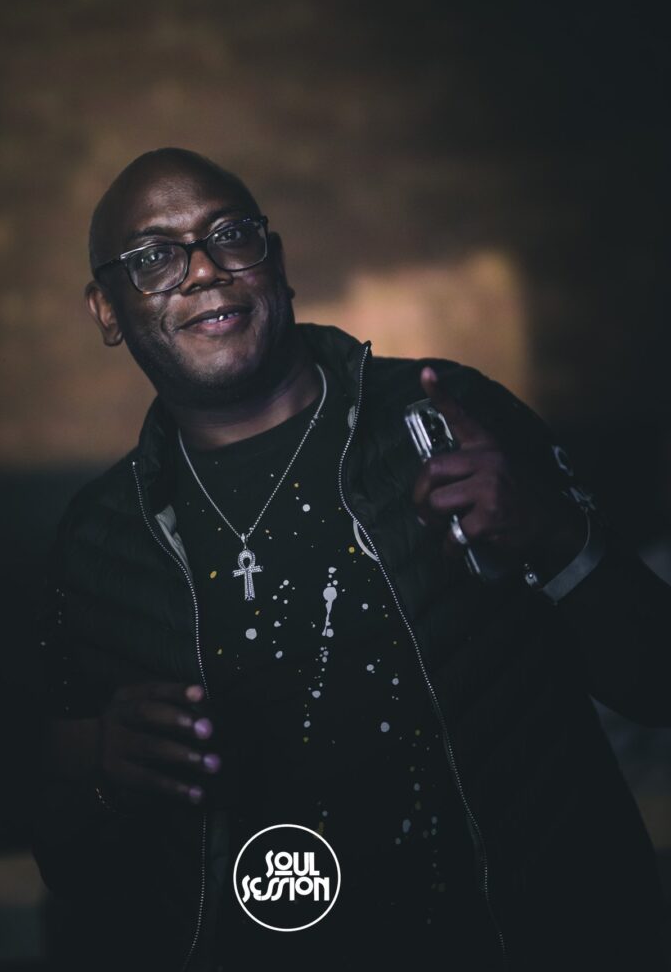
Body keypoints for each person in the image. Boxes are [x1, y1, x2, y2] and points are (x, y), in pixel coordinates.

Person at [33, 148, 670, 972]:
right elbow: (69, 861)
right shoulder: (98, 541)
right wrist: (106, 775)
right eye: (155, 256)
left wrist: (556, 538)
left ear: (276, 261)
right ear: (107, 309)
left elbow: (655, 683)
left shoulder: (448, 417)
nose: (205, 270)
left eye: (231, 235)